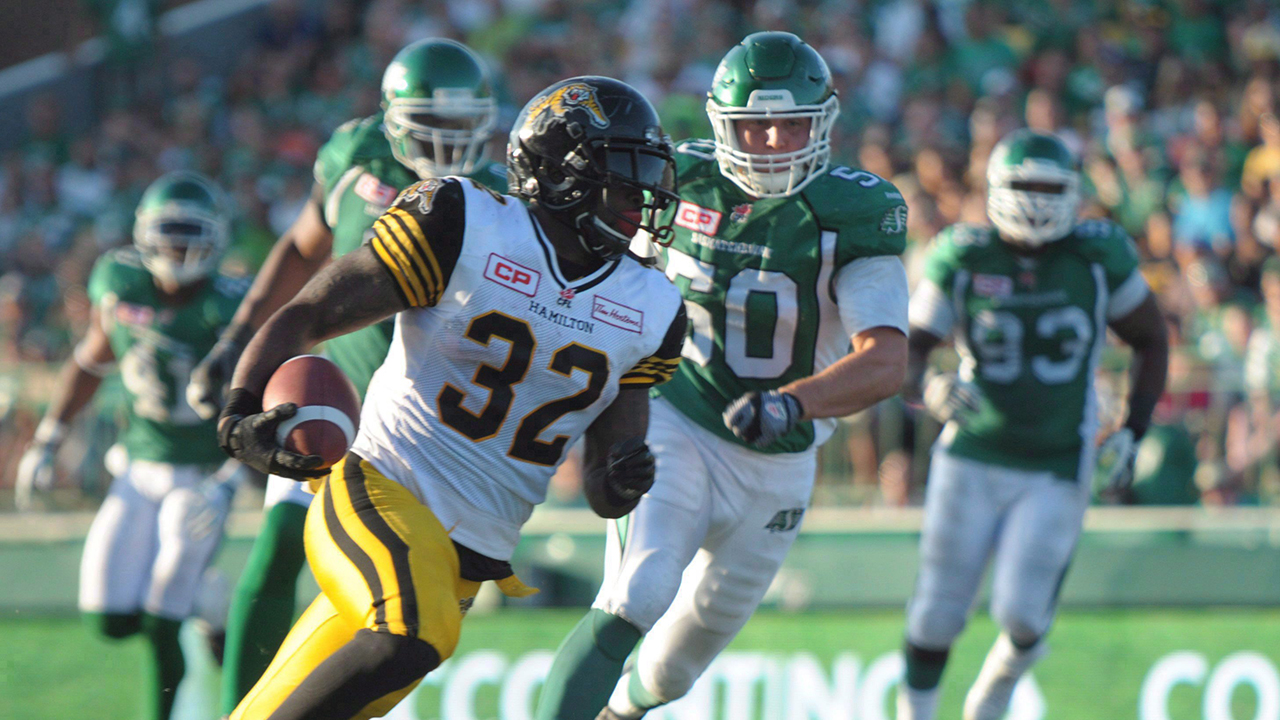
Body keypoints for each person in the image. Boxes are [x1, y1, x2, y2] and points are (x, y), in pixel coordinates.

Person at [218, 76, 688, 720]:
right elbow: (311, 311)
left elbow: (609, 493)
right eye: (624, 176)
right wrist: (240, 410)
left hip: (468, 559)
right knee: (414, 637)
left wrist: (627, 475)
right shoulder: (466, 222)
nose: (642, 197)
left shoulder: (652, 305)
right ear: (559, 173)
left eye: (647, 176)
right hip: (382, 488)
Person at [535, 32, 910, 720]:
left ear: (822, 122)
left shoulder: (855, 211)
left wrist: (791, 405)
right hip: (676, 416)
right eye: (753, 124)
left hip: (781, 458)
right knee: (637, 593)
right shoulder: (679, 178)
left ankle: (621, 714)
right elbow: (606, 281)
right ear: (719, 123)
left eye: (790, 122)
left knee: (675, 668)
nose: (771, 140)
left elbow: (885, 358)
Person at [181, 38, 508, 715]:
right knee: (276, 550)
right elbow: (301, 251)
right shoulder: (352, 155)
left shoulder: (495, 197)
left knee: (393, 605)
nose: (448, 141)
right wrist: (239, 340)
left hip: (418, 430)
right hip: (335, 396)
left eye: (460, 124)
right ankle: (240, 705)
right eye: (432, 124)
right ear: (392, 117)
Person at [898, 129, 1169, 720]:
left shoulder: (1096, 253)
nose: (1039, 199)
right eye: (1027, 186)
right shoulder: (963, 252)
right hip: (971, 453)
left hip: (1053, 460)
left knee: (1023, 615)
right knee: (939, 612)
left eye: (1052, 187)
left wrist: (1133, 428)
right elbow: (910, 349)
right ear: (996, 189)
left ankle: (997, 686)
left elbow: (1151, 338)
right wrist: (929, 387)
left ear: (1074, 193)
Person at [15, 171, 246, 720]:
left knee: (161, 619)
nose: (181, 247)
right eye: (170, 234)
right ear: (143, 235)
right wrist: (49, 438)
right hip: (139, 467)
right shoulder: (120, 283)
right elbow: (93, 359)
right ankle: (211, 601)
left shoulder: (230, 305)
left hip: (202, 477)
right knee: (109, 618)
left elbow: (256, 397)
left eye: (193, 234)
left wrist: (233, 480)